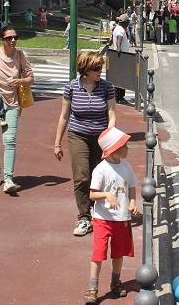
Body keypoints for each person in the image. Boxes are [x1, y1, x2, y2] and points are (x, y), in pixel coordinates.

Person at [54, 51, 118, 238]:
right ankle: (83, 217)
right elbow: (64, 116)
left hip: (101, 137)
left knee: (99, 175)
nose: (100, 72)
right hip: (78, 135)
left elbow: (112, 114)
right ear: (85, 70)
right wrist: (57, 143)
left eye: (100, 68)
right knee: (82, 176)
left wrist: (109, 136)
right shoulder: (71, 88)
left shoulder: (107, 87)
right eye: (96, 69)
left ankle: (97, 210)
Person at [84, 126, 138, 303]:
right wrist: (107, 195)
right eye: (125, 145)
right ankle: (92, 287)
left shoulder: (126, 167)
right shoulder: (101, 169)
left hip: (122, 218)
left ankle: (115, 282)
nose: (128, 148)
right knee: (98, 253)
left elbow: (131, 186)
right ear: (114, 148)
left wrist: (132, 201)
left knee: (118, 252)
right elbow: (92, 194)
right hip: (103, 219)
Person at [0, 25, 34, 194]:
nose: (12, 40)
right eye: (8, 38)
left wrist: (20, 81)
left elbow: (31, 78)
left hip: (11, 103)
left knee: (9, 141)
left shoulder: (20, 55)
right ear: (1, 40)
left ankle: (9, 178)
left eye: (15, 37)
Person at [111, 14, 131, 104]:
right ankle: (119, 97)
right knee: (122, 78)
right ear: (125, 22)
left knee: (119, 77)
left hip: (120, 55)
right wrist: (119, 49)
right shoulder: (121, 30)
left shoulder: (118, 28)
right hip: (122, 56)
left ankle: (118, 96)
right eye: (128, 22)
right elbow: (119, 38)